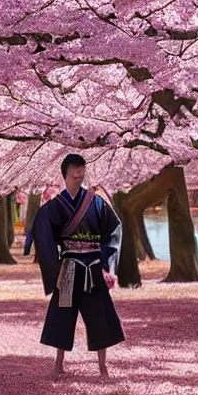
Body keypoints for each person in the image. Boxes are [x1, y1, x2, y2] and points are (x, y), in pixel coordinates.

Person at [32, 154, 124, 377]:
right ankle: (58, 363)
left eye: (81, 170)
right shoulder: (54, 207)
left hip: (93, 267)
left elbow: (114, 229)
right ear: (65, 174)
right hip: (68, 268)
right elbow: (43, 235)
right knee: (62, 315)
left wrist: (108, 266)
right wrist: (53, 268)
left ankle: (103, 366)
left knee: (99, 317)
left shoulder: (97, 202)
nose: (78, 175)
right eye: (74, 171)